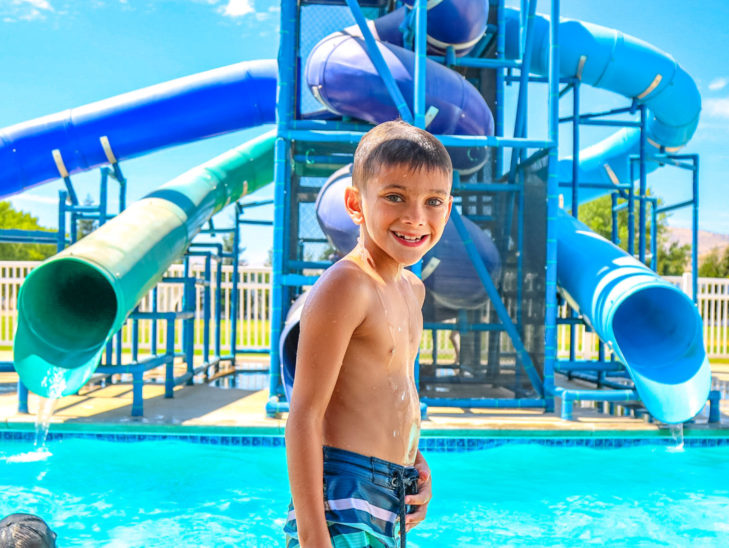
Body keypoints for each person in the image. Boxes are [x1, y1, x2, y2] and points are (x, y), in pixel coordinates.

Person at [284, 120, 453, 548]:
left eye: (433, 201)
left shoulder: (412, 290)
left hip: (391, 492)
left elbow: (393, 388)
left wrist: (412, 461)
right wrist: (313, 539)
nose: (416, 217)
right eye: (395, 197)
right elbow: (304, 415)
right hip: (344, 494)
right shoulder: (347, 285)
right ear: (356, 204)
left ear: (448, 209)